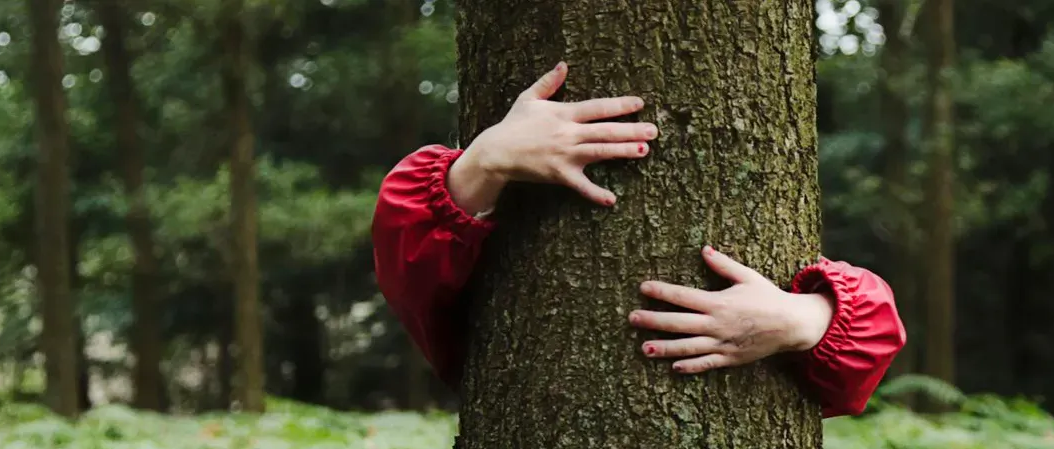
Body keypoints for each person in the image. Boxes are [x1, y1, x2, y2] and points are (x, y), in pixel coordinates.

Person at [371, 62, 906, 417]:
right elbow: (411, 278)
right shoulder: (450, 244)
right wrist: (485, 162)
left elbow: (868, 351)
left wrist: (800, 319)